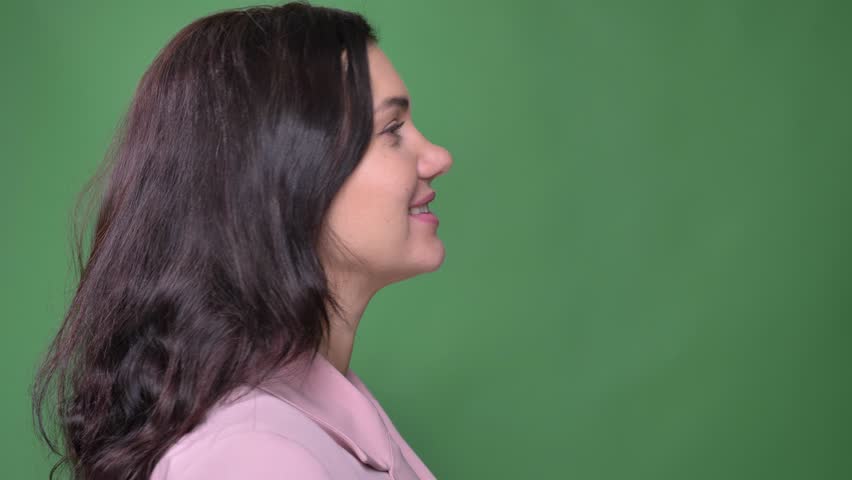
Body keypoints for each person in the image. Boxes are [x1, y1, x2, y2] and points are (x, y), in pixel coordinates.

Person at [31, 2, 453, 479]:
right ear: (281, 178)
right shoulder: (254, 456)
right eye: (392, 130)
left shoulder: (310, 418)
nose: (438, 156)